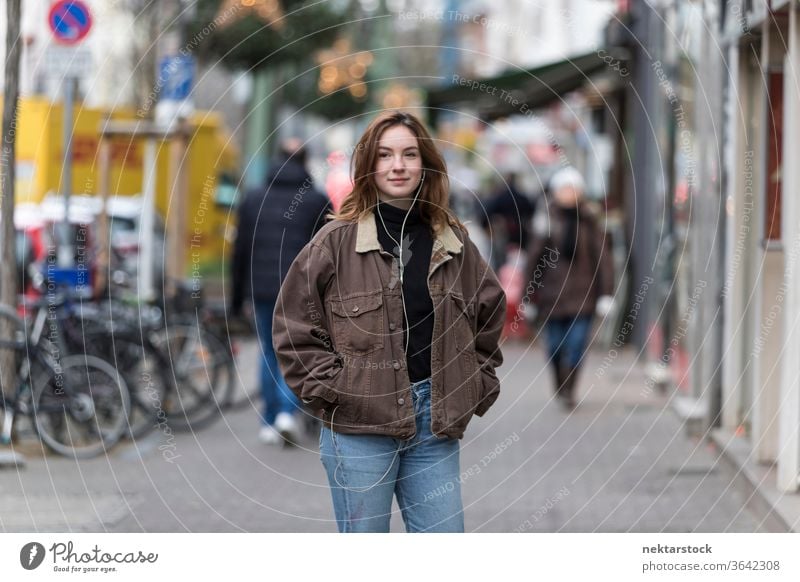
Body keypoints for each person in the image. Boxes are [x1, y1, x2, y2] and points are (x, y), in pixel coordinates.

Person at [272, 111, 506, 532]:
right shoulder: (335, 243)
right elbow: (293, 329)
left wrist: (475, 384)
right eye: (385, 154)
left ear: (425, 164)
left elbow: (488, 313)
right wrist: (335, 392)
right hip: (358, 427)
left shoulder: (452, 241)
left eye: (409, 154)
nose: (398, 165)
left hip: (433, 426)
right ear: (369, 166)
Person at [232, 138, 332, 445]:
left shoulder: (253, 198)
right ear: (304, 162)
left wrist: (236, 298)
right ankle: (288, 412)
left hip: (261, 289)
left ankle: (269, 418)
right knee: (297, 350)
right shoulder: (316, 200)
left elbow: (240, 251)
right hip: (300, 290)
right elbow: (331, 250)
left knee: (268, 350)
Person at [523, 166, 614, 409]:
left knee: (576, 345)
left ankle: (569, 391)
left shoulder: (590, 221)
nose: (569, 193)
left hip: (584, 296)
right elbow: (533, 261)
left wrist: (606, 293)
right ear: (556, 191)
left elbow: (603, 259)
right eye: (565, 188)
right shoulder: (546, 220)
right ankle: (559, 383)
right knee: (554, 348)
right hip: (552, 297)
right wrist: (528, 297)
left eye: (574, 189)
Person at [479, 172, 536, 271]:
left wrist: (486, 228)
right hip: (520, 233)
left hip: (504, 234)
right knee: (519, 262)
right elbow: (532, 212)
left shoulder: (499, 197)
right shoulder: (523, 197)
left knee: (502, 262)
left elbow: (485, 214)